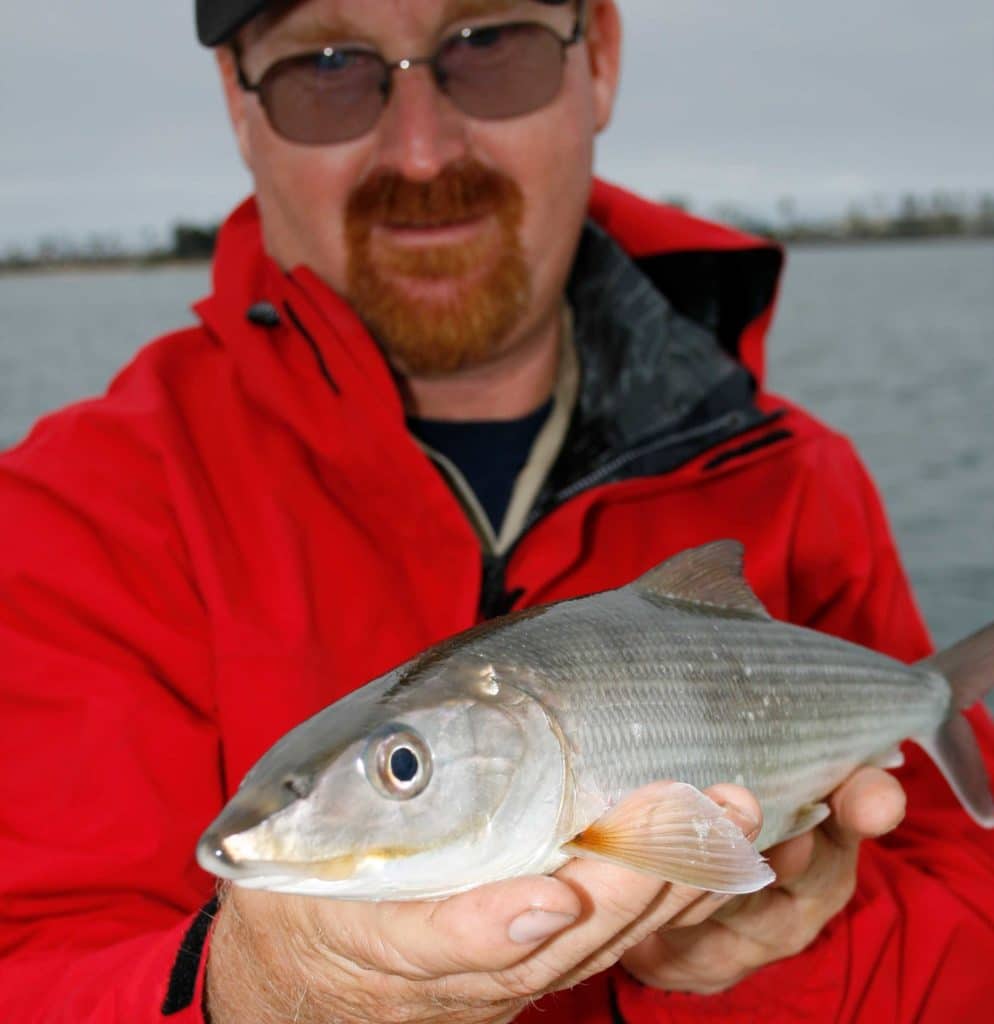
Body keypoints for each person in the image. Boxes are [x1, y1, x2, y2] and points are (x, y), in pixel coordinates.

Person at [1, 0, 992, 1020]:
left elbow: (971, 921)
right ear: (239, 105)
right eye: (329, 67)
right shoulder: (56, 518)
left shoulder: (800, 479)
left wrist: (790, 946)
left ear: (598, 57)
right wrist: (249, 996)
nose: (423, 151)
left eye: (489, 44)